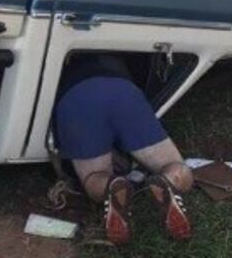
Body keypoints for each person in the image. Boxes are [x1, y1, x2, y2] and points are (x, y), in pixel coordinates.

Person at [54, 53, 193, 245]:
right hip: (124, 92)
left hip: (77, 98)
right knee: (175, 165)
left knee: (94, 176)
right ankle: (168, 179)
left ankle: (111, 186)